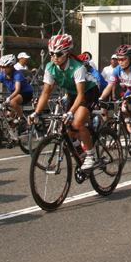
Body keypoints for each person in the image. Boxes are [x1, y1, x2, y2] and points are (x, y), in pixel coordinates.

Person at [29, 34, 100, 172]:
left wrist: (71, 112)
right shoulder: (50, 67)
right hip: (73, 93)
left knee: (78, 123)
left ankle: (91, 155)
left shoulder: (77, 67)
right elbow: (45, 93)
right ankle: (80, 149)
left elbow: (81, 94)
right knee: (70, 132)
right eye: (52, 54)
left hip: (89, 91)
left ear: (67, 53)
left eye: (59, 54)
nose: (55, 57)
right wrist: (36, 113)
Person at [98, 44, 131, 158]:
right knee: (123, 110)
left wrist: (129, 98)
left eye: (123, 59)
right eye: (118, 59)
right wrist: (100, 98)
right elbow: (109, 86)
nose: (120, 62)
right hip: (130, 91)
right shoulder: (118, 69)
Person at [0, 54, 34, 121]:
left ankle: (22, 118)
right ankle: (12, 129)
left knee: (13, 102)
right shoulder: (2, 74)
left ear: (11, 67)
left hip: (26, 93)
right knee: (8, 119)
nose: (4, 69)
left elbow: (17, 90)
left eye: (6, 67)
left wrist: (9, 98)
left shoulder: (17, 74)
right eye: (2, 67)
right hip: (15, 95)